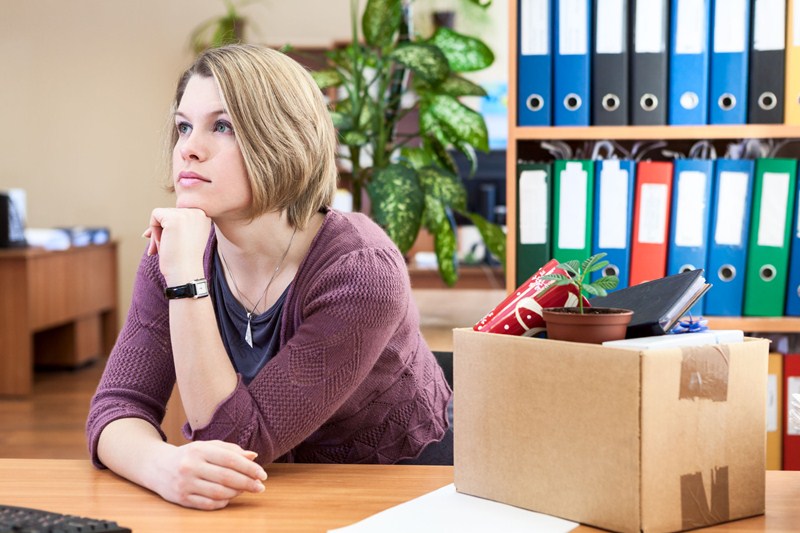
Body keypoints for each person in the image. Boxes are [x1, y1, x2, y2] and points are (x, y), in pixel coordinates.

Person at [86, 44, 452, 511]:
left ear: (282, 139)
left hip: (399, 490)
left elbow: (235, 439)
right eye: (183, 126)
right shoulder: (177, 248)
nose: (188, 149)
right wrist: (161, 466)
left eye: (222, 126)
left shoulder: (362, 271)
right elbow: (116, 407)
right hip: (266, 492)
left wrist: (186, 281)